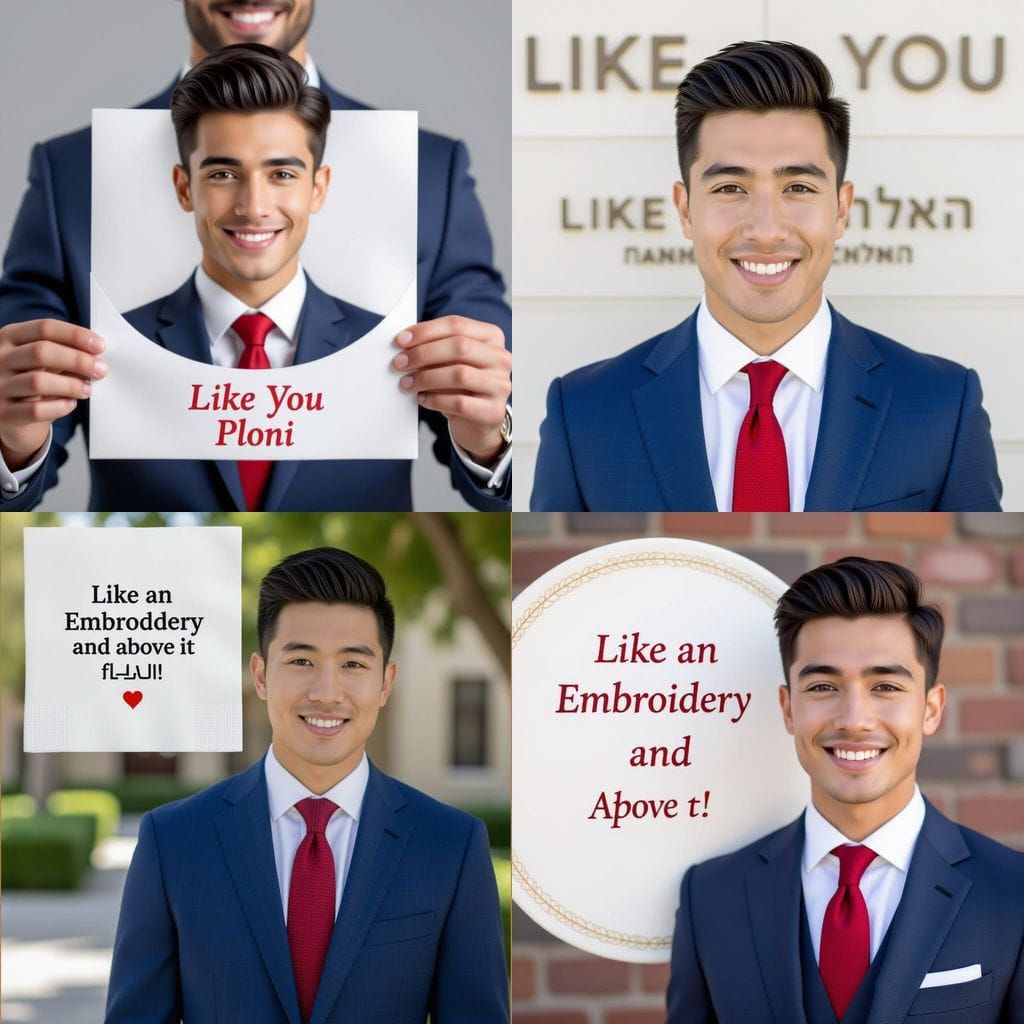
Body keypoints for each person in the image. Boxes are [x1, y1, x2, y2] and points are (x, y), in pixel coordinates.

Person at [0, 0, 512, 510]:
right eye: (222, 173)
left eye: (284, 174)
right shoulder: (69, 171)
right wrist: (10, 439)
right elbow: (23, 440)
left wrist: (489, 437)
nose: (254, 205)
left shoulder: (430, 170)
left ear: (319, 186)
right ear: (183, 186)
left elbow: (494, 455)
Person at [530, 40, 1000, 512]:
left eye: (798, 187)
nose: (766, 230)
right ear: (685, 209)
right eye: (730, 187)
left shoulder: (942, 405)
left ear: (841, 208)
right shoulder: (585, 413)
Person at [105, 546, 509, 1023]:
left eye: (353, 665)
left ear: (385, 682)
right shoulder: (171, 841)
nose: (326, 692)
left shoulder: (451, 846)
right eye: (301, 661)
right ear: (260, 675)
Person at [666, 557, 1024, 1023]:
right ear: (788, 708)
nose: (854, 720)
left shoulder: (1014, 891)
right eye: (822, 686)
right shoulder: (710, 896)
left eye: (886, 686)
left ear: (931, 709)